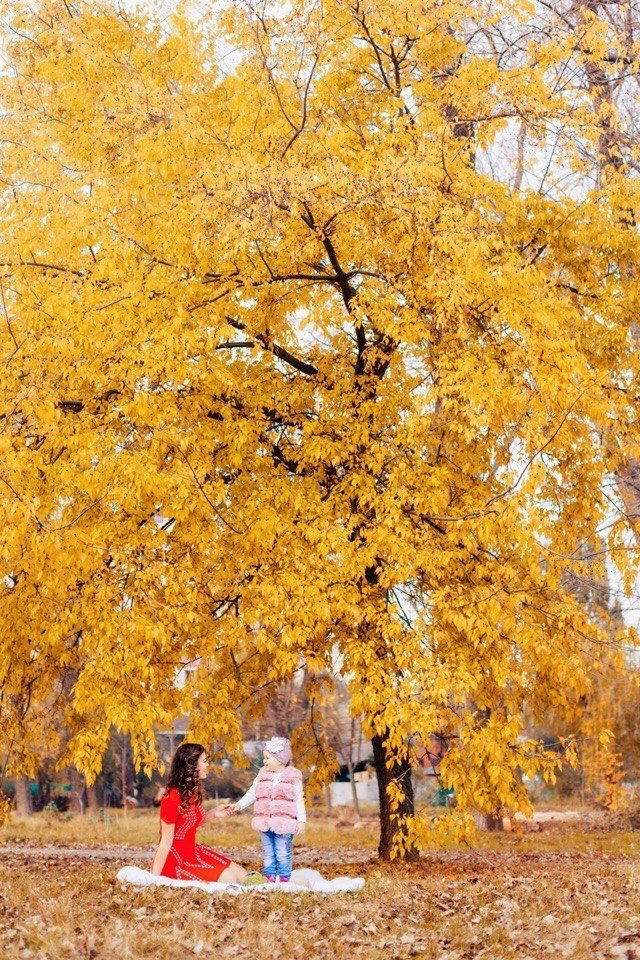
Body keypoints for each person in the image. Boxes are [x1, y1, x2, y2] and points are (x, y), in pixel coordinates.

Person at [150, 742, 247, 884]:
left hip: (192, 851)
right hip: (175, 860)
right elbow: (165, 843)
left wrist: (214, 813)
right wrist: (153, 880)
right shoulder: (172, 797)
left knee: (244, 876)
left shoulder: (191, 791)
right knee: (230, 878)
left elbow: (188, 824)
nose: (207, 765)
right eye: (204, 761)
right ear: (192, 765)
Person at [220, 736, 305, 883]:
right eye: (264, 757)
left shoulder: (293, 778)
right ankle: (269, 878)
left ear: (280, 760)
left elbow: (299, 799)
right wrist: (239, 805)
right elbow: (252, 793)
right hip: (264, 822)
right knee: (268, 852)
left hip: (284, 823)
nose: (264, 761)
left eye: (268, 758)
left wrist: (301, 821)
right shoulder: (262, 776)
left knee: (282, 852)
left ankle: (285, 880)